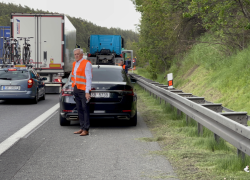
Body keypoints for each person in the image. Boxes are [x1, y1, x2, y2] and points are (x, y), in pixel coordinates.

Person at [71, 48, 92, 136]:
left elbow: (88, 78)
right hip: (76, 88)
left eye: (78, 54)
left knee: (85, 108)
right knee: (79, 108)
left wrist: (87, 92)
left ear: (82, 54)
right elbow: (74, 77)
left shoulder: (86, 63)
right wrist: (73, 87)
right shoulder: (74, 63)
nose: (76, 55)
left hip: (83, 90)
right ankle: (82, 127)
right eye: (75, 54)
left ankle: (86, 129)